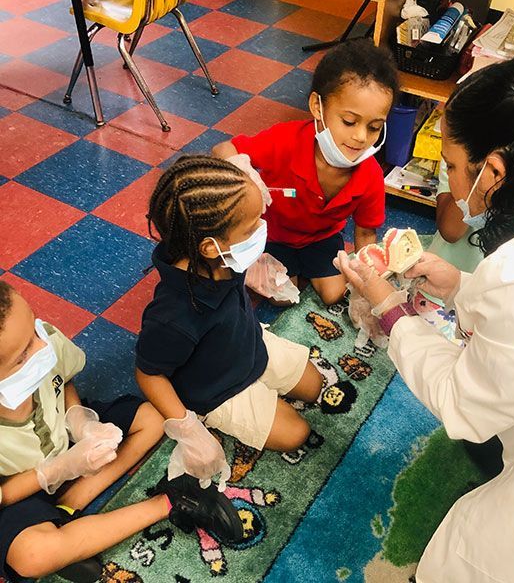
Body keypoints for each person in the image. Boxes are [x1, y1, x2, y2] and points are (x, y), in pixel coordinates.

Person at [335, 55, 514, 581]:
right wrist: (461, 286)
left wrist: (391, 311)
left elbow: (465, 402)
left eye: (454, 168)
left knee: (457, 560)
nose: (454, 185)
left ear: (495, 170)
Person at [0, 282, 242, 583]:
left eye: (34, 327)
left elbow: (62, 380)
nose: (41, 346)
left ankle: (67, 513)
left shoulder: (37, 339)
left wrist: (80, 420)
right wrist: (52, 472)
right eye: (23, 357)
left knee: (153, 418)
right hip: (17, 486)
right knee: (32, 556)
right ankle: (171, 502)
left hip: (65, 436)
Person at [135, 156, 323, 489]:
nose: (261, 230)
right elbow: (148, 372)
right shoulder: (172, 315)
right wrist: (188, 428)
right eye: (252, 228)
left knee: (315, 386)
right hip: (216, 389)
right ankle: (213, 418)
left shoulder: (219, 256)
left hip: (247, 345)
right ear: (210, 247)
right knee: (297, 433)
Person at [212, 38, 397, 305]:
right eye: (348, 121)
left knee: (334, 295)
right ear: (316, 107)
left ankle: (302, 273)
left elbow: (366, 233)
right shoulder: (286, 140)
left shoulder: (370, 175)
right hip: (275, 234)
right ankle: (289, 273)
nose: (360, 137)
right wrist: (242, 168)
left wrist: (369, 279)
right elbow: (222, 148)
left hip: (321, 238)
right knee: (281, 297)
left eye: (375, 127)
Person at [427, 159, 484, 273]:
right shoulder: (460, 150)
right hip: (448, 268)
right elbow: (450, 232)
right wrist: (474, 173)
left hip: (500, 280)